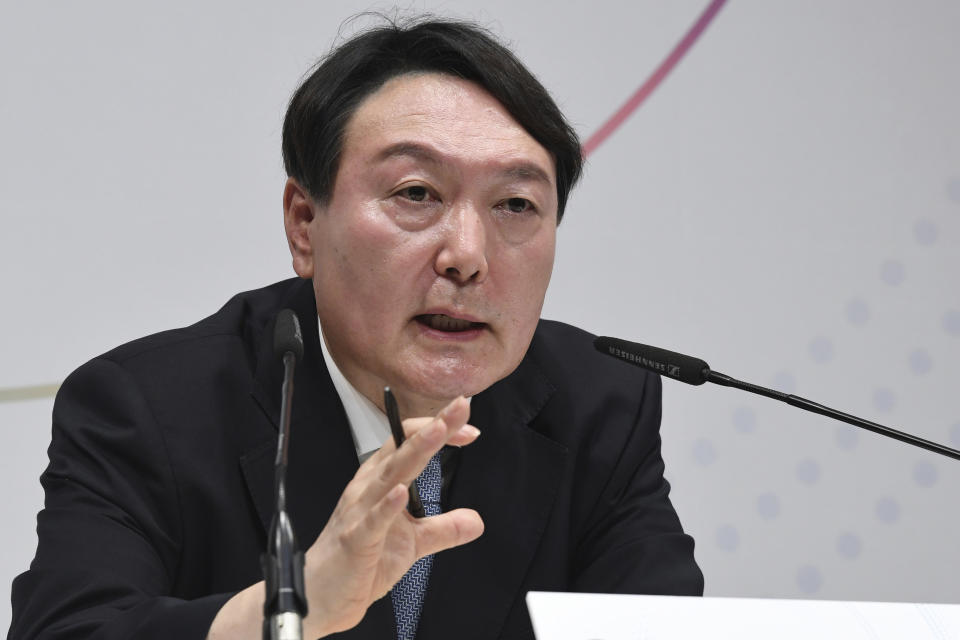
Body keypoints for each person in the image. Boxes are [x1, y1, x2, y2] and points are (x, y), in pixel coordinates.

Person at [9, 16, 703, 640]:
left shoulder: (600, 407)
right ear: (304, 225)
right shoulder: (149, 410)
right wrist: (293, 610)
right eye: (416, 194)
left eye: (516, 204)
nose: (467, 255)